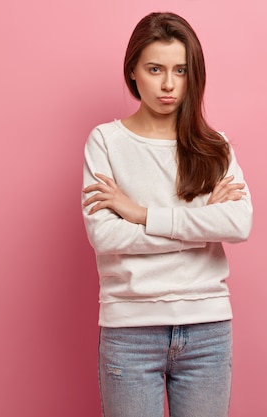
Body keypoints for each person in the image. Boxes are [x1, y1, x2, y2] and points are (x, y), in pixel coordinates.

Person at [81, 11, 253, 417]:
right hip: (130, 331)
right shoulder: (106, 142)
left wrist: (139, 213)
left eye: (181, 70)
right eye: (155, 68)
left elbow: (238, 224)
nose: (169, 84)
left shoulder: (215, 146)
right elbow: (105, 236)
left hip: (208, 328)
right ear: (133, 72)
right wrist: (200, 222)